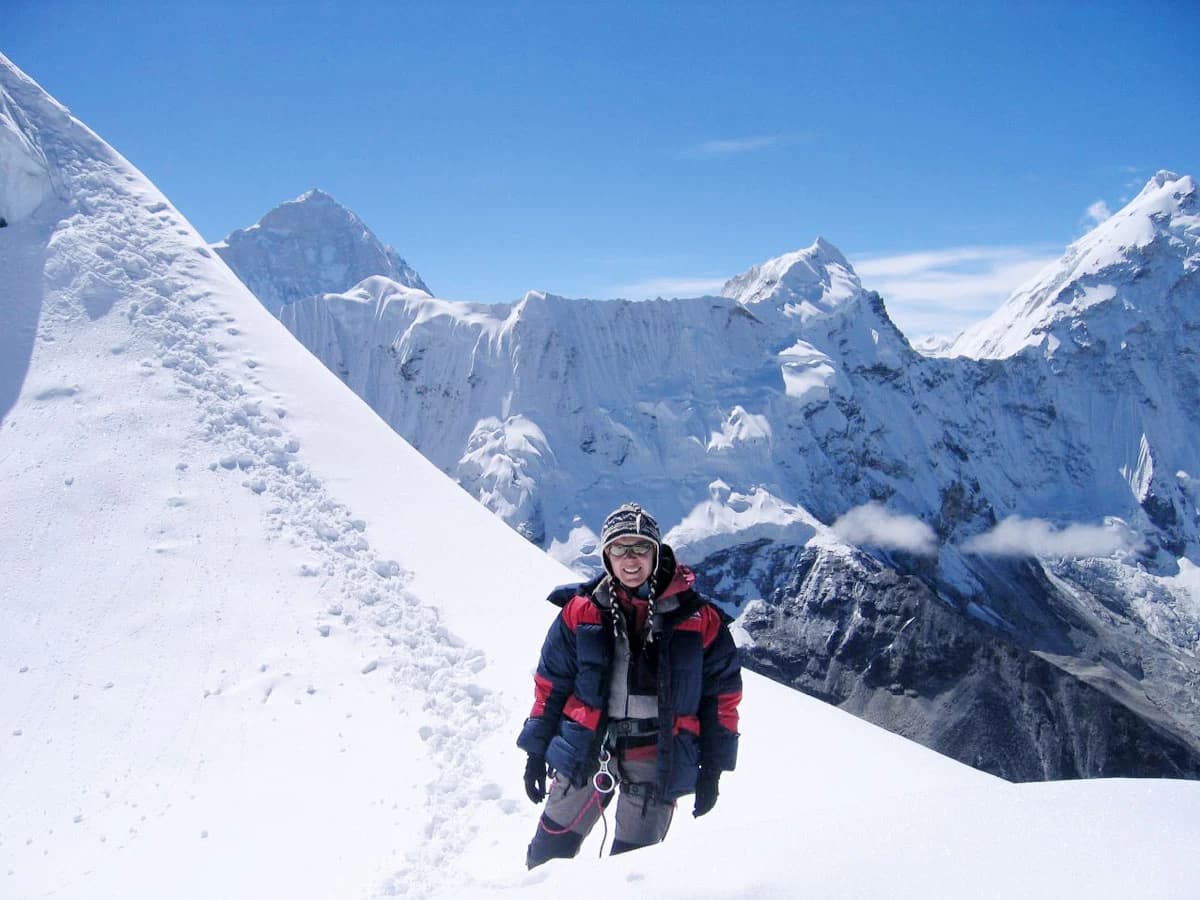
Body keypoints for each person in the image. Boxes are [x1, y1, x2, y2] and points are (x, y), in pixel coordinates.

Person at [517, 502, 742, 868]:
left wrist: (713, 769)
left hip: (656, 756)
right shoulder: (580, 611)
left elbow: (721, 701)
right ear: (607, 556)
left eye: (640, 548)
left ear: (656, 552)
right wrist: (535, 752)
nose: (630, 559)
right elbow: (551, 687)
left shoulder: (700, 619)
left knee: (632, 876)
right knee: (545, 858)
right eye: (619, 549)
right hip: (587, 750)